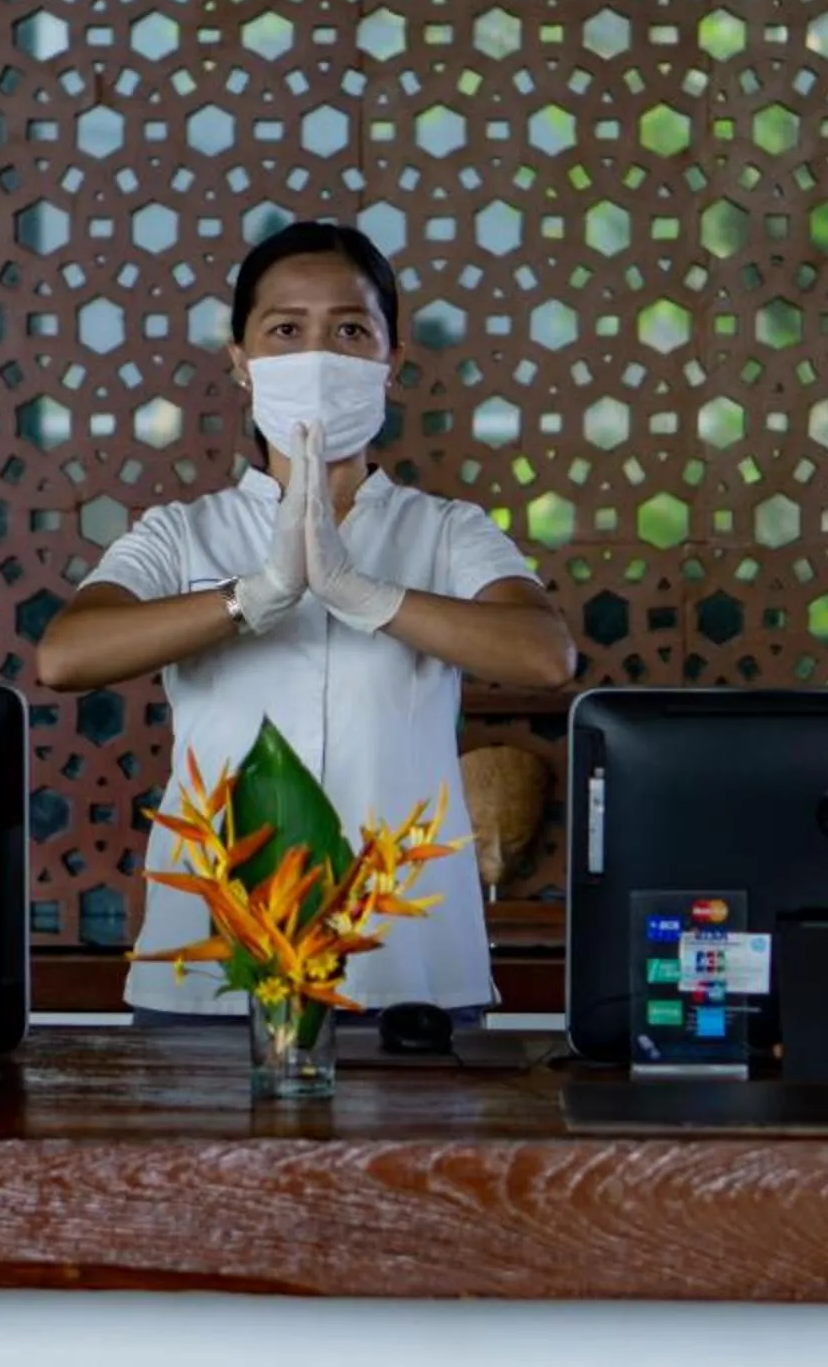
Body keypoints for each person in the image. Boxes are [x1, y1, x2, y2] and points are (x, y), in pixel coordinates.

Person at [33, 221, 578, 1021]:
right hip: (215, 964)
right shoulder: (183, 532)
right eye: (287, 330)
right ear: (242, 364)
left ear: (392, 363)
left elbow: (543, 654)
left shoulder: (447, 530)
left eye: (350, 330)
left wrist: (367, 595)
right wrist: (252, 596)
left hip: (407, 972)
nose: (318, 354)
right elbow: (66, 656)